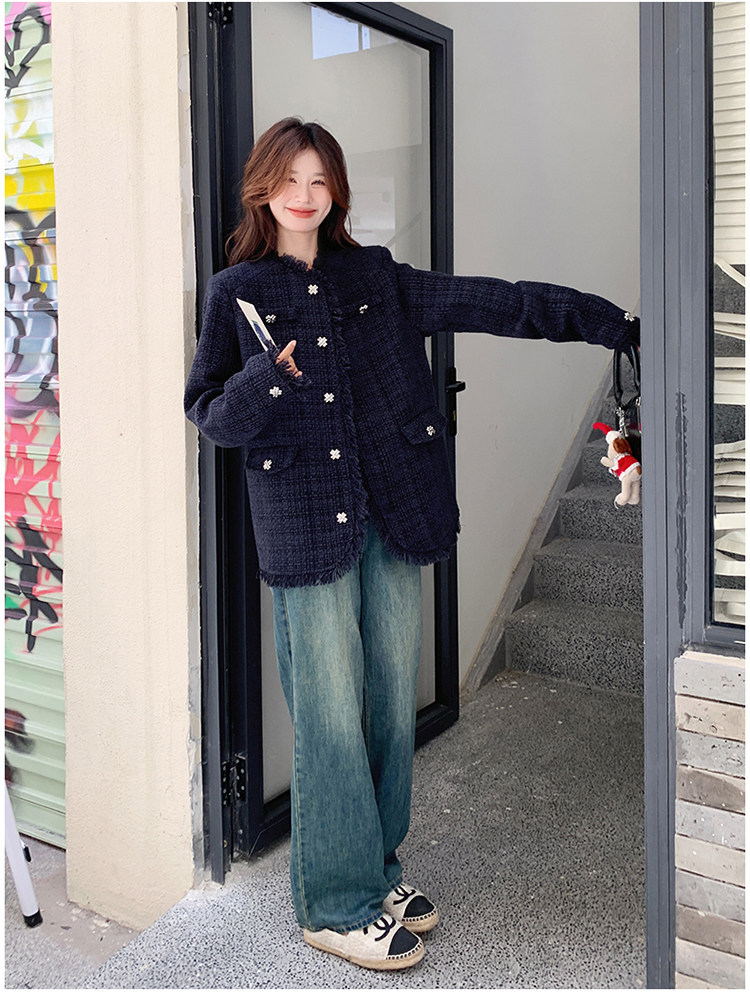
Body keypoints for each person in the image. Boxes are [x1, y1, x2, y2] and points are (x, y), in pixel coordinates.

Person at [184, 117, 640, 972]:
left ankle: (377, 869)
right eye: (290, 179)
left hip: (393, 515)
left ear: (337, 191)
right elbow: (210, 414)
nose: (305, 196)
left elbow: (491, 300)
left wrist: (608, 322)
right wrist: (265, 378)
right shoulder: (235, 292)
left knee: (391, 705)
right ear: (263, 188)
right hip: (305, 528)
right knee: (329, 717)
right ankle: (334, 904)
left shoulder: (375, 276)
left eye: (321, 180)